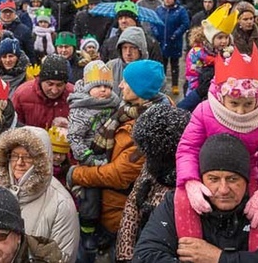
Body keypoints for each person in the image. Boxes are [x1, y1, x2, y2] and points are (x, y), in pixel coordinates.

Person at [134, 133, 258, 262]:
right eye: (213, 179)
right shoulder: (177, 204)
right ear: (201, 180)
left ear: (247, 181)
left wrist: (220, 258)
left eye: (233, 179)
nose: (223, 189)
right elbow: (145, 256)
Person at [175, 46, 258, 240]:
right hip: (210, 174)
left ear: (257, 99)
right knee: (183, 199)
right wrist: (190, 180)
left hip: (247, 176)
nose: (241, 112)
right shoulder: (204, 111)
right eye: (234, 103)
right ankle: (191, 248)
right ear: (221, 96)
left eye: (248, 104)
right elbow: (188, 149)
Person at [69, 60, 170, 261]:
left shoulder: (149, 126)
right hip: (110, 207)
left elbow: (120, 175)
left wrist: (76, 174)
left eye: (126, 82)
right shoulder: (127, 110)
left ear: (140, 88)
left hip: (121, 214)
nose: (120, 85)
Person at [115, 104, 190, 262]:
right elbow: (132, 207)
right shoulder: (151, 165)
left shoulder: (189, 181)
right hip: (143, 244)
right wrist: (125, 254)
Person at [0, 126, 80, 262]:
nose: (19, 163)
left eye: (28, 157)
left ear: (41, 160)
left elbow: (62, 257)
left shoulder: (61, 204)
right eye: (15, 156)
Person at [66, 60, 122, 241]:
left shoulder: (114, 104)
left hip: (109, 155)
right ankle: (87, 231)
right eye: (98, 86)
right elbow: (74, 137)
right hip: (89, 158)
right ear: (88, 87)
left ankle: (104, 228)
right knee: (91, 197)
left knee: (108, 195)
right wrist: (87, 158)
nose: (103, 90)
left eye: (106, 86)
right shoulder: (82, 108)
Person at [12, 54, 73, 130]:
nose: (54, 90)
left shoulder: (73, 95)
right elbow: (12, 126)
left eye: (59, 85)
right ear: (41, 80)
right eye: (50, 84)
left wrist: (72, 127)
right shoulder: (21, 94)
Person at [152, 0, 189, 96]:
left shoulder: (180, 10)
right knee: (161, 64)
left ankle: (175, 85)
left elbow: (185, 23)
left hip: (174, 42)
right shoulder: (159, 10)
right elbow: (153, 22)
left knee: (174, 65)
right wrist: (155, 31)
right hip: (161, 41)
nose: (167, 0)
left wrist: (177, 33)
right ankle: (161, 84)